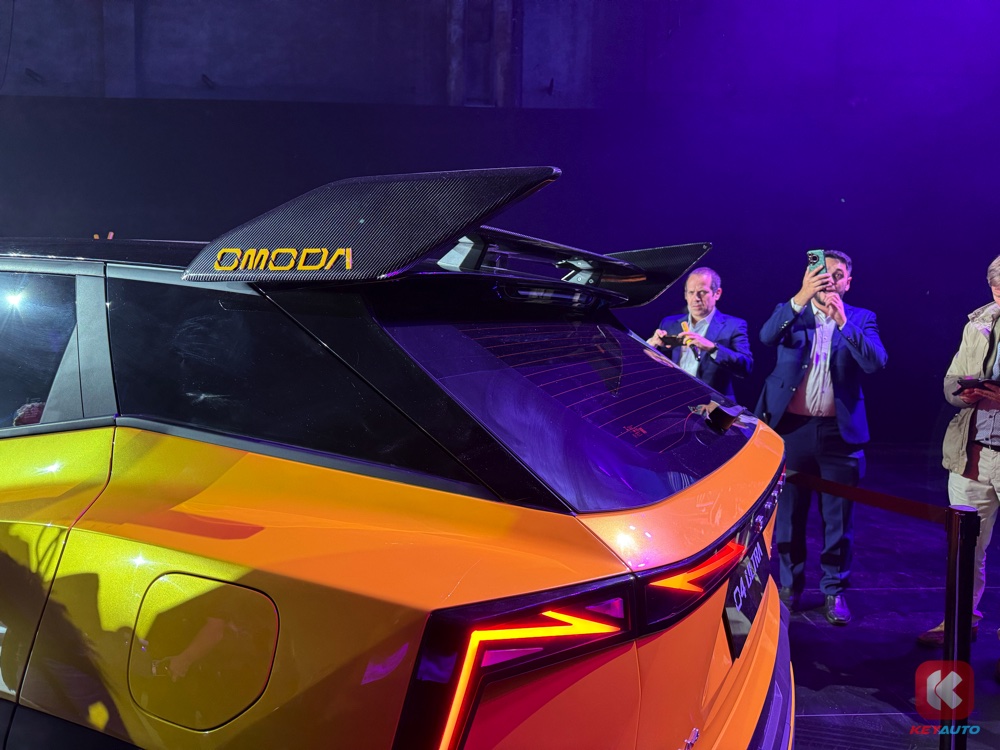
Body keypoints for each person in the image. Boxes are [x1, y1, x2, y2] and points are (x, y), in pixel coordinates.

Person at [755, 249, 887, 625]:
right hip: (791, 430)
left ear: (848, 282)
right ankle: (789, 587)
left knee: (838, 520)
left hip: (838, 435)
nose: (830, 279)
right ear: (809, 275)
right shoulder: (791, 311)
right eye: (823, 272)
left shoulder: (861, 317)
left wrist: (842, 321)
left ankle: (834, 591)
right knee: (789, 517)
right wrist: (801, 295)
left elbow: (876, 362)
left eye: (838, 274)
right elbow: (766, 336)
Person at [917, 255, 1000, 674]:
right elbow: (952, 381)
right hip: (973, 453)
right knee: (967, 547)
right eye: (998, 290)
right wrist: (962, 394)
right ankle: (961, 619)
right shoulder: (978, 324)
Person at [646, 267, 753, 401]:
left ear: (717, 293)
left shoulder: (734, 325)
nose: (695, 298)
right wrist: (651, 345)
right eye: (691, 292)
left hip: (712, 404)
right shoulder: (669, 323)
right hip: (673, 399)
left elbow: (746, 367)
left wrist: (712, 348)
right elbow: (649, 367)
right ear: (685, 295)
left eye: (702, 292)